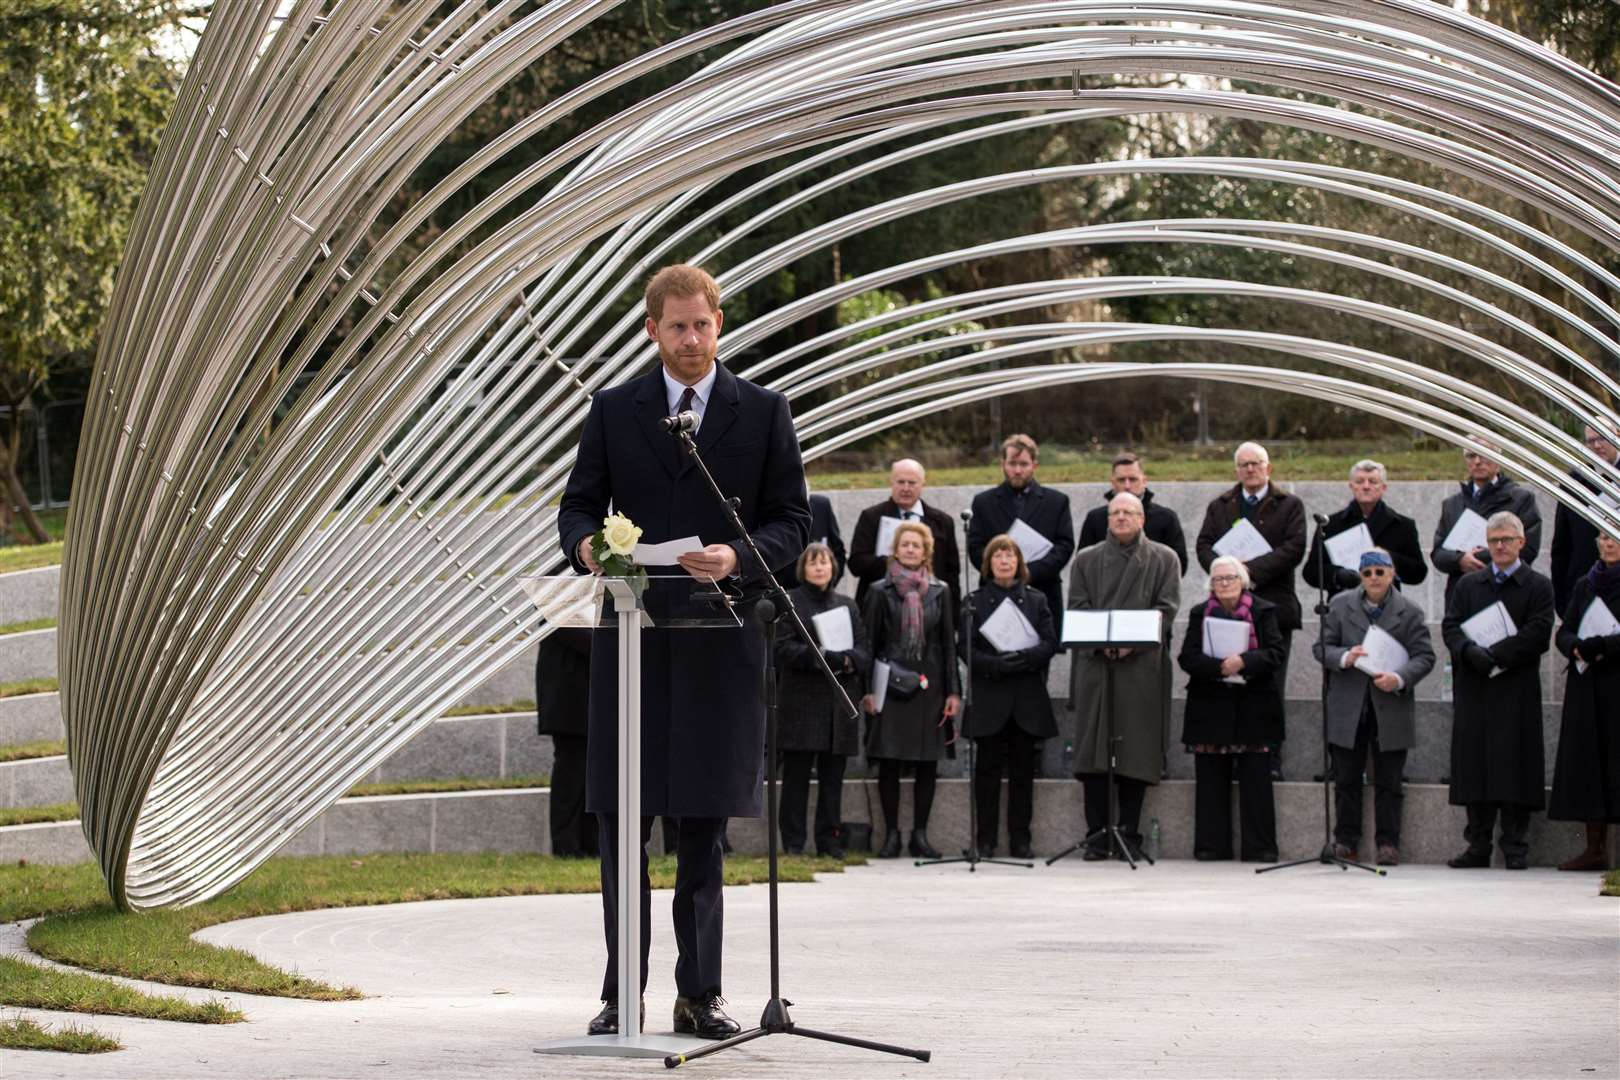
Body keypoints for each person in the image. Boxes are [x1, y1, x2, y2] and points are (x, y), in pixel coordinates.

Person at [557, 264, 811, 1038]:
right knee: (619, 824)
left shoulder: (763, 413)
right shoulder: (612, 410)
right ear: (651, 331)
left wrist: (739, 555)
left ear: (720, 324)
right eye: (677, 327)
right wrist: (587, 549)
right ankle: (619, 996)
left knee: (702, 827)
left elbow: (794, 521)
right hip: (632, 643)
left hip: (718, 645)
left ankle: (700, 995)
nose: (691, 339)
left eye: (702, 325)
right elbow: (575, 508)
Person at [1068, 492, 1182, 858]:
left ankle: (1129, 831)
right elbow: (1078, 605)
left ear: (1142, 518)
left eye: (1128, 512)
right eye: (1114, 512)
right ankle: (1097, 834)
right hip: (1096, 664)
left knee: (1136, 748)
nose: (1120, 518)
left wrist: (1133, 643)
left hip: (1141, 666)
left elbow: (1166, 607)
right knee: (1093, 748)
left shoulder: (1164, 558)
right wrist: (1102, 644)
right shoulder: (1086, 560)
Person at [1441, 511, 1555, 870]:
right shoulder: (1468, 585)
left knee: (1514, 765)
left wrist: (1498, 655)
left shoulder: (1537, 585)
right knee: (1476, 763)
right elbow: (1451, 626)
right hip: (1475, 686)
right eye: (1493, 541)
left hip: (1515, 687)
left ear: (1522, 542)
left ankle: (1515, 845)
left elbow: (1538, 633)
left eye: (1506, 539)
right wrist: (1471, 653)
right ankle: (1477, 844)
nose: (1500, 546)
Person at [1313, 549, 1436, 866]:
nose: (1374, 579)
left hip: (1389, 705)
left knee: (1389, 781)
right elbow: (1321, 647)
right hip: (1349, 705)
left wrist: (1398, 678)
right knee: (1346, 779)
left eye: (1380, 572)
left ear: (1392, 573)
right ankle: (1345, 841)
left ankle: (1388, 843)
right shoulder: (1341, 606)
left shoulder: (1409, 611)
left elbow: (1425, 656)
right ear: (1360, 576)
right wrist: (1344, 657)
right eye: (1367, 574)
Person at [1194, 441, 1306, 779]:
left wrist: (1249, 571)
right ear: (1236, 470)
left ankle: (1270, 757)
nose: (1250, 470)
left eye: (1256, 464)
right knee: (1229, 684)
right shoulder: (1221, 505)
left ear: (1268, 468)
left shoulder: (1290, 505)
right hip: (1227, 609)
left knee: (1269, 685)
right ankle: (1230, 750)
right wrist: (1226, 569)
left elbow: (1294, 548)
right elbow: (1203, 545)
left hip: (1272, 608)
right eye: (1243, 465)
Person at [861, 520, 962, 859]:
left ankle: (920, 834)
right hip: (890, 684)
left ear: (926, 551)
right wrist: (868, 690)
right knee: (889, 762)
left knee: (926, 764)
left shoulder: (940, 590)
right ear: (896, 549)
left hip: (930, 686)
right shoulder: (879, 590)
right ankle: (892, 835)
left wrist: (953, 691)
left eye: (916, 545)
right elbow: (869, 643)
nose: (910, 550)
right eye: (904, 544)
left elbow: (948, 643)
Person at [1178, 555, 1285, 862]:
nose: (1224, 584)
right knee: (1210, 781)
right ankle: (1211, 846)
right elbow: (1187, 657)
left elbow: (1275, 652)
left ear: (1243, 581)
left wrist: (1244, 662)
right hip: (1211, 704)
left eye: (1230, 578)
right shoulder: (1200, 613)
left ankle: (1260, 848)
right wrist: (1220, 667)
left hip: (1253, 704)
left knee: (1256, 782)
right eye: (1218, 579)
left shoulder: (1264, 611)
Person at [959, 534, 1058, 859]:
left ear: (1019, 563)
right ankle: (984, 839)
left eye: (1010, 556)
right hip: (990, 695)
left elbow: (1049, 642)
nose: (1004, 561)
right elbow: (966, 647)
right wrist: (994, 665)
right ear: (989, 563)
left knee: (1022, 774)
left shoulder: (1036, 599)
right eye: (998, 556)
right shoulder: (974, 601)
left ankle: (1021, 839)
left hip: (1026, 697)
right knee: (986, 773)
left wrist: (1025, 659)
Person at [774, 542, 869, 858]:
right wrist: (822, 657)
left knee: (832, 781)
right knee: (796, 779)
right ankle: (793, 842)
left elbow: (863, 651)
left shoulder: (848, 605)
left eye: (824, 562)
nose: (819, 567)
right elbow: (782, 649)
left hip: (838, 706)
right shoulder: (791, 602)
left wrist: (846, 661)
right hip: (802, 704)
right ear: (803, 568)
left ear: (833, 568)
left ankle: (829, 841)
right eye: (813, 562)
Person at [1548, 529, 1620, 871]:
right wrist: (1574, 645)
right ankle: (1594, 847)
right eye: (1604, 537)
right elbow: (1564, 630)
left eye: (1615, 538)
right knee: (1589, 763)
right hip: (1586, 684)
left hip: (1615, 684)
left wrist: (1603, 646)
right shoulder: (1585, 584)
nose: (1608, 543)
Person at [965, 434, 1075, 617]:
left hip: (1043, 592)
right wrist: (1003, 571)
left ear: (1034, 465)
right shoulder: (984, 502)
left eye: (1023, 464)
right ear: (1003, 464)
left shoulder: (1056, 502)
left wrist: (1027, 572)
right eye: (1012, 463)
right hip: (995, 594)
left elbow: (1064, 546)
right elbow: (975, 547)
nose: (1017, 470)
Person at [1431, 442, 1542, 606]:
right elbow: (1438, 554)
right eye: (1471, 455)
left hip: (1507, 594)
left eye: (1483, 454)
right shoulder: (1452, 504)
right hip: (1462, 597)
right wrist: (1460, 559)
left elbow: (1528, 548)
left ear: (1498, 459)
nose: (1477, 461)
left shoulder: (1520, 499)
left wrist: (1477, 558)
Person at [1302, 459, 1428, 597]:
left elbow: (1418, 573)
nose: (1366, 486)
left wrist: (1390, 558)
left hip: (1388, 606)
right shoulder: (1330, 524)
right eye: (1360, 481)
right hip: (1343, 605)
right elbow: (1311, 571)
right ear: (1351, 486)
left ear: (1383, 487)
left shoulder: (1403, 525)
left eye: (1373, 481)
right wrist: (1338, 575)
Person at [849, 458, 962, 610]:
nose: (906, 488)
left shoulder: (942, 522)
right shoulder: (872, 517)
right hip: (882, 609)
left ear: (922, 484)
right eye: (900, 482)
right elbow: (856, 564)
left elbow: (952, 573)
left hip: (931, 609)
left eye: (912, 483)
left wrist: (953, 616)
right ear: (891, 483)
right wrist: (895, 560)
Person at [536, 626, 598, 858]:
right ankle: (566, 846)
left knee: (592, 772)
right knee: (571, 772)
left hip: (588, 691)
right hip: (568, 693)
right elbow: (564, 625)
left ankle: (591, 843)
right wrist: (610, 644)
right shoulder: (555, 593)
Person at [1076, 451, 1189, 574]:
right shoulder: (1096, 519)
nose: (1127, 485)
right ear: (1112, 482)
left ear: (1144, 481)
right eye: (1121, 480)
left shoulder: (1166, 518)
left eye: (1133, 479)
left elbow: (1179, 566)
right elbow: (1083, 565)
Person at [1550, 425, 1620, 616]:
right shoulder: (1574, 482)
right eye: (1591, 441)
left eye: (1603, 438)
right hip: (1583, 588)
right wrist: (1562, 602)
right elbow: (1562, 544)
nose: (1597, 445)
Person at [780, 493, 847, 590]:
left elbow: (839, 551)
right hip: (789, 592)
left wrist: (827, 589)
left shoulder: (821, 504)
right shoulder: (779, 508)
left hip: (824, 593)